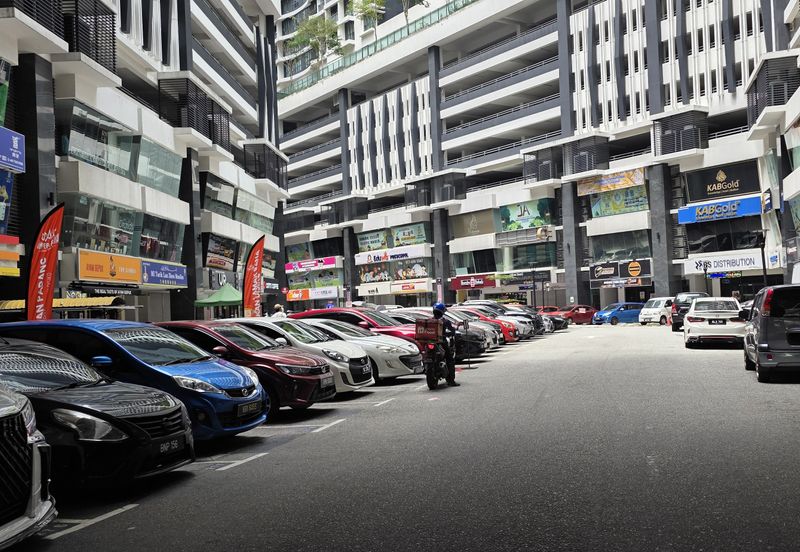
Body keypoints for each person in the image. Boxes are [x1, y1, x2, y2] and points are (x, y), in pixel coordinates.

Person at [433, 302, 459, 387]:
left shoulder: (430, 320)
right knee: (450, 359)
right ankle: (451, 381)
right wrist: (451, 333)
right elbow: (452, 331)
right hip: (441, 343)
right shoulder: (445, 321)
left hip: (430, 343)